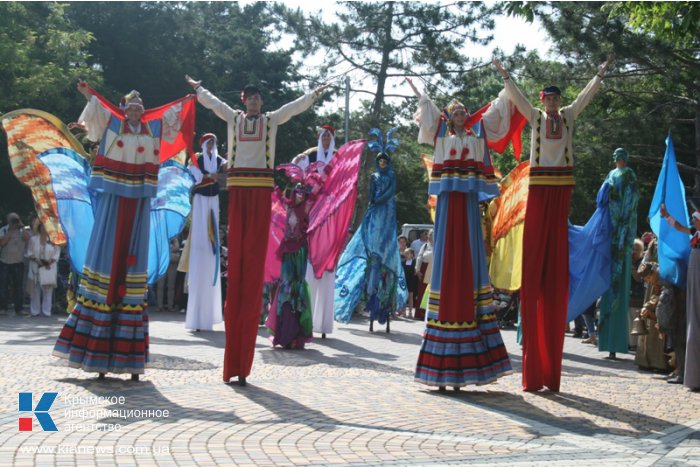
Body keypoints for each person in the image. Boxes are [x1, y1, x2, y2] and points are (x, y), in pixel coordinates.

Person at [185, 74, 328, 386]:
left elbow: (294, 107)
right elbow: (214, 105)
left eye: (257, 98)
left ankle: (244, 358)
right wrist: (198, 88)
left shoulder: (271, 120)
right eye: (249, 97)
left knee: (252, 260)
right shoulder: (234, 118)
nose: (253, 101)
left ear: (261, 102)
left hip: (261, 188)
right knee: (237, 261)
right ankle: (232, 357)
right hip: (238, 187)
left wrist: (314, 94)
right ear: (243, 100)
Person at [53, 81, 190, 381]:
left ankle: (127, 360)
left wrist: (191, 100)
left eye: (139, 109)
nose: (135, 112)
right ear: (124, 109)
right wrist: (89, 95)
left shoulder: (152, 130)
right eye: (130, 108)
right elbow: (98, 116)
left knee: (131, 266)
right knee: (108, 257)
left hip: (139, 200)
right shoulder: (114, 123)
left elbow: (173, 122)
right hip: (114, 198)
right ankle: (98, 356)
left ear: (143, 111)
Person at [493, 57, 611, 392]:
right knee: (536, 257)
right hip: (541, 186)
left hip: (561, 185)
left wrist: (599, 74)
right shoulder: (536, 117)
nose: (553, 102)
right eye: (548, 98)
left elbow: (585, 97)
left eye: (556, 98)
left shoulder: (569, 116)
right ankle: (533, 368)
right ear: (543, 99)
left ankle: (552, 367)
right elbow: (516, 96)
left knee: (557, 259)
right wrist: (505, 75)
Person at [408, 78, 512, 390]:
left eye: (462, 114)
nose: (459, 117)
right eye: (455, 114)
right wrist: (419, 93)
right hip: (448, 206)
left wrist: (506, 87)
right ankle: (444, 374)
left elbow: (495, 113)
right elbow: (429, 113)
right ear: (450, 116)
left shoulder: (476, 134)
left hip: (466, 206)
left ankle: (462, 373)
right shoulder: (442, 134)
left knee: (468, 258)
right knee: (445, 259)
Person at [334, 128, 406, 331]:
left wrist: (379, 200)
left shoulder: (390, 176)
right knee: (372, 259)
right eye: (380, 161)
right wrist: (372, 203)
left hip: (387, 218)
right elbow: (371, 195)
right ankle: (366, 297)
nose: (383, 164)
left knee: (385, 260)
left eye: (385, 161)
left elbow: (389, 193)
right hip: (375, 217)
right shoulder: (374, 177)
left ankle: (384, 305)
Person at [265, 164, 324, 348]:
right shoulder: (287, 205)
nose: (298, 194)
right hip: (287, 252)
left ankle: (297, 334)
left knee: (297, 288)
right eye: (296, 191)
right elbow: (276, 196)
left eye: (301, 191)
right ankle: (283, 333)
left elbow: (318, 195)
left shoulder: (306, 207)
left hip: (300, 251)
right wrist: (272, 183)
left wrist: (322, 177)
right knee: (285, 288)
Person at [292, 125, 338, 339]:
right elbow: (295, 172)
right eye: (323, 135)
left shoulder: (338, 157)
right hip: (311, 212)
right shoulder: (310, 156)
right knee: (310, 261)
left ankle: (323, 322)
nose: (326, 138)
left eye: (329, 135)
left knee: (327, 264)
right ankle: (307, 316)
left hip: (331, 212)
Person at [598, 148, 639, 359]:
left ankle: (616, 344)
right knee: (608, 287)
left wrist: (622, 231)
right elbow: (602, 199)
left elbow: (630, 204)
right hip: (611, 234)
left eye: (621, 156)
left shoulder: (630, 175)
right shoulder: (610, 175)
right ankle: (607, 343)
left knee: (619, 287)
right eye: (616, 156)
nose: (619, 159)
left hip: (621, 237)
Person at [184, 133, 225, 332]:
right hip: (200, 201)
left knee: (212, 246)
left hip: (213, 200)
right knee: (200, 242)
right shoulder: (197, 159)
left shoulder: (219, 160)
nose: (211, 145)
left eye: (213, 142)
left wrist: (218, 176)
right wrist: (209, 176)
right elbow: (194, 176)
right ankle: (196, 314)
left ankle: (211, 313)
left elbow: (226, 175)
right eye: (208, 142)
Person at [660, 204, 700, 390]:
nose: (693, 222)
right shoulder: (695, 234)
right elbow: (679, 227)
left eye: (695, 219)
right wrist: (667, 215)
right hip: (693, 280)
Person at [26, 221, 60, 317]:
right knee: (35, 289)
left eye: (46, 227)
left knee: (48, 289)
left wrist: (50, 261)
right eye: (42, 227)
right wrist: (36, 260)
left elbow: (57, 253)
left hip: (49, 267)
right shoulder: (33, 239)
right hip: (36, 266)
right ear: (39, 228)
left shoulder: (53, 240)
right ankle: (35, 311)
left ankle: (46, 311)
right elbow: (29, 252)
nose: (43, 229)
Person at [0, 213, 30, 316]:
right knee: (3, 286)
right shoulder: (4, 230)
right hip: (5, 262)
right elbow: (2, 243)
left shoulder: (22, 230)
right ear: (8, 220)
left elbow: (27, 239)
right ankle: (3, 308)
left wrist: (21, 224)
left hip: (18, 262)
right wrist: (11, 231)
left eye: (16, 219)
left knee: (18, 287)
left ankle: (19, 309)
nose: (14, 221)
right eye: (13, 219)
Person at [413, 231, 433, 321]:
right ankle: (420, 314)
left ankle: (431, 314)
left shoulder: (439, 245)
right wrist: (417, 270)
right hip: (424, 271)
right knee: (421, 292)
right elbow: (419, 257)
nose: (430, 237)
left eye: (431, 236)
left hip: (434, 271)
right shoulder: (425, 246)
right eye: (429, 235)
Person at [157, 237, 180, 312]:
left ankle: (170, 306)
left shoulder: (174, 238)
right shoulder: (160, 236)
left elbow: (177, 247)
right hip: (162, 265)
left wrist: (166, 249)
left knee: (171, 286)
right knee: (160, 286)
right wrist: (170, 248)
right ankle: (159, 306)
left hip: (172, 264)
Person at [402, 248, 417, 318]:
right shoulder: (403, 262)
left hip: (411, 281)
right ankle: (404, 311)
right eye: (405, 253)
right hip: (404, 281)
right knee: (404, 296)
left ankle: (410, 312)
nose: (406, 254)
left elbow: (415, 272)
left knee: (410, 297)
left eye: (407, 253)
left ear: (412, 254)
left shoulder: (414, 262)